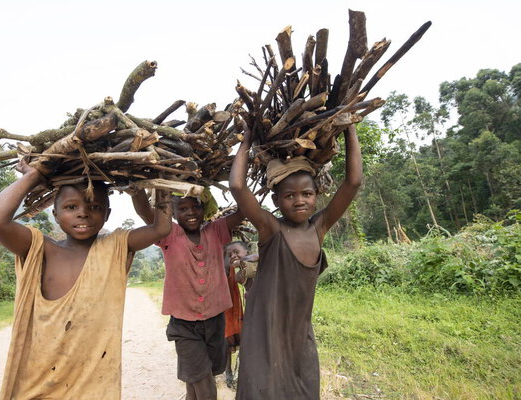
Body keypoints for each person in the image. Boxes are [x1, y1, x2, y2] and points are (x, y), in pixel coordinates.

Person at [0, 160, 172, 400]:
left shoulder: (115, 246)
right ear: (55, 214)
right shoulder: (40, 248)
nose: (83, 212)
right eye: (71, 207)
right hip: (39, 378)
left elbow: (161, 228)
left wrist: (156, 181)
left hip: (93, 380)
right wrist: (33, 176)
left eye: (95, 206)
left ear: (107, 214)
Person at [229, 123, 363, 399]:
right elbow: (237, 186)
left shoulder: (319, 227)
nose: (299, 201)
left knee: (304, 391)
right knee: (260, 391)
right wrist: (247, 140)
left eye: (307, 194)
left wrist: (350, 129)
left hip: (299, 335)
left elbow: (353, 182)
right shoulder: (271, 229)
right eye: (289, 196)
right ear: (276, 200)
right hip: (263, 333)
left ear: (317, 196)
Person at [131, 190, 245, 400]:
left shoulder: (217, 231)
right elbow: (146, 212)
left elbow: (245, 209)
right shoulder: (168, 233)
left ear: (204, 208)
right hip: (184, 325)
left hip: (215, 321)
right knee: (204, 383)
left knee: (201, 376)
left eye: (196, 206)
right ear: (172, 213)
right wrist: (139, 191)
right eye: (182, 209)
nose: (191, 212)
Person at [222, 241, 247, 388]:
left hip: (235, 303)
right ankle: (228, 372)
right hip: (223, 305)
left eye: (236, 252)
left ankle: (242, 371)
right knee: (226, 337)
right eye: (230, 254)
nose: (233, 256)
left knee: (241, 336)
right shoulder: (223, 262)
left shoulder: (241, 263)